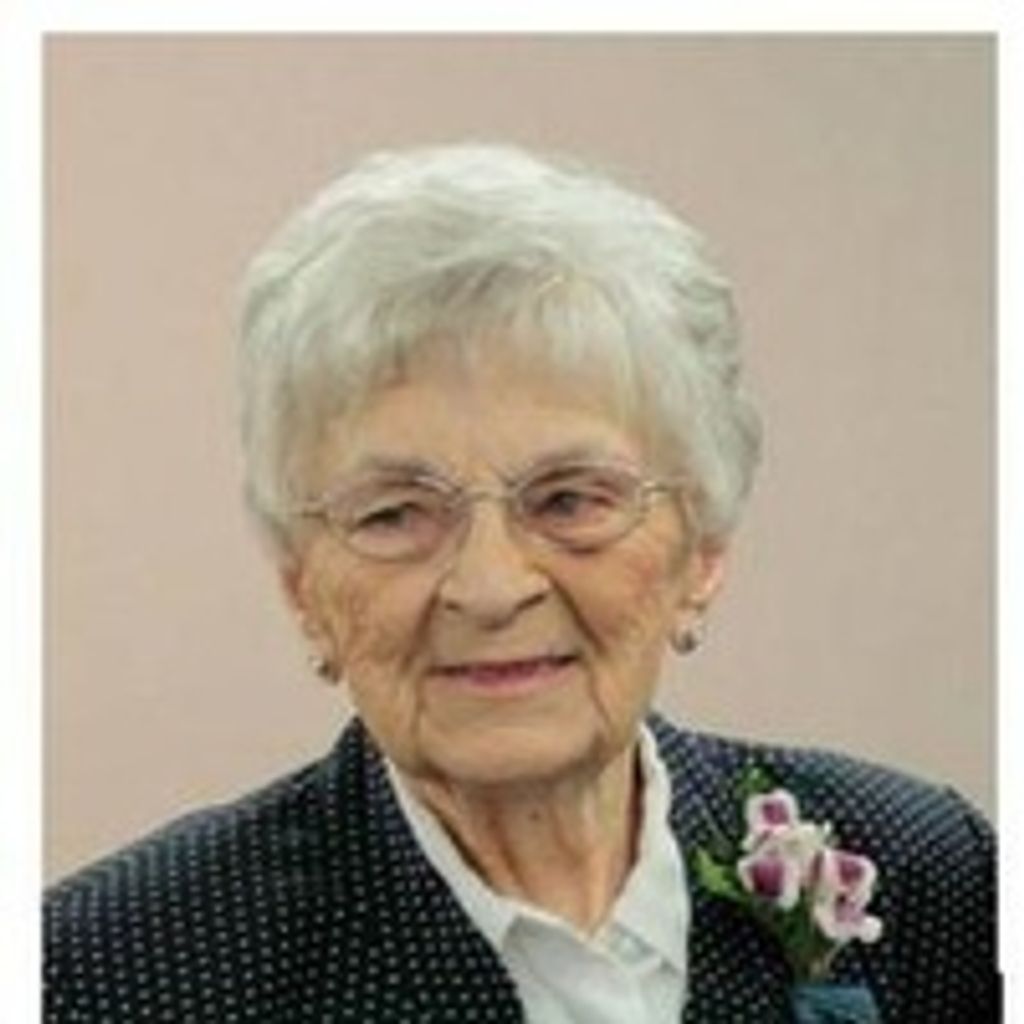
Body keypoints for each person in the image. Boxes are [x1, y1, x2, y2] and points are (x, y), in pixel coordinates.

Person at [44, 143, 997, 1023]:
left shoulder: (930, 877)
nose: (490, 587)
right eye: (396, 513)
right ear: (303, 588)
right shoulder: (106, 974)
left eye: (570, 499)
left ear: (702, 549)